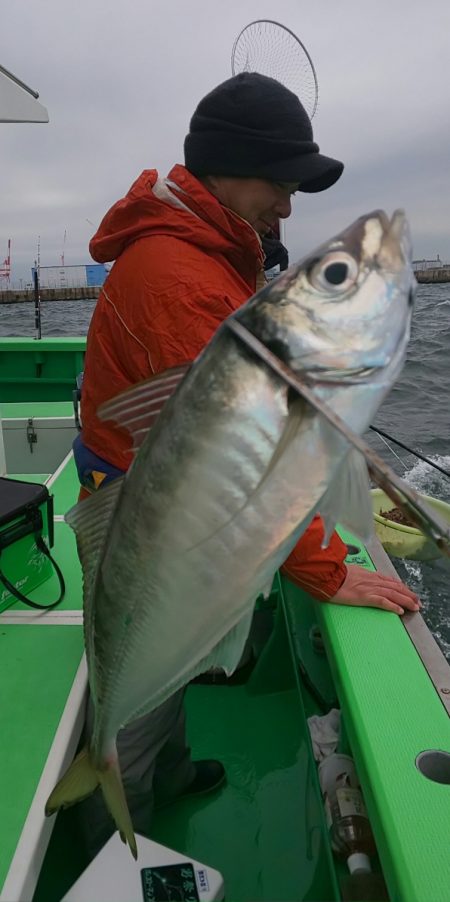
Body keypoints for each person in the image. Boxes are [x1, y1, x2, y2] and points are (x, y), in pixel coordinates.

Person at [74, 72, 420, 858]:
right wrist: (327, 571)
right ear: (228, 166)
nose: (290, 205)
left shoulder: (208, 245)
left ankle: (170, 767)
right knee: (142, 668)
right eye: (281, 182)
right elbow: (250, 462)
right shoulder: (179, 276)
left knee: (186, 648)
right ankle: (109, 821)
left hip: (149, 482)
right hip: (145, 501)